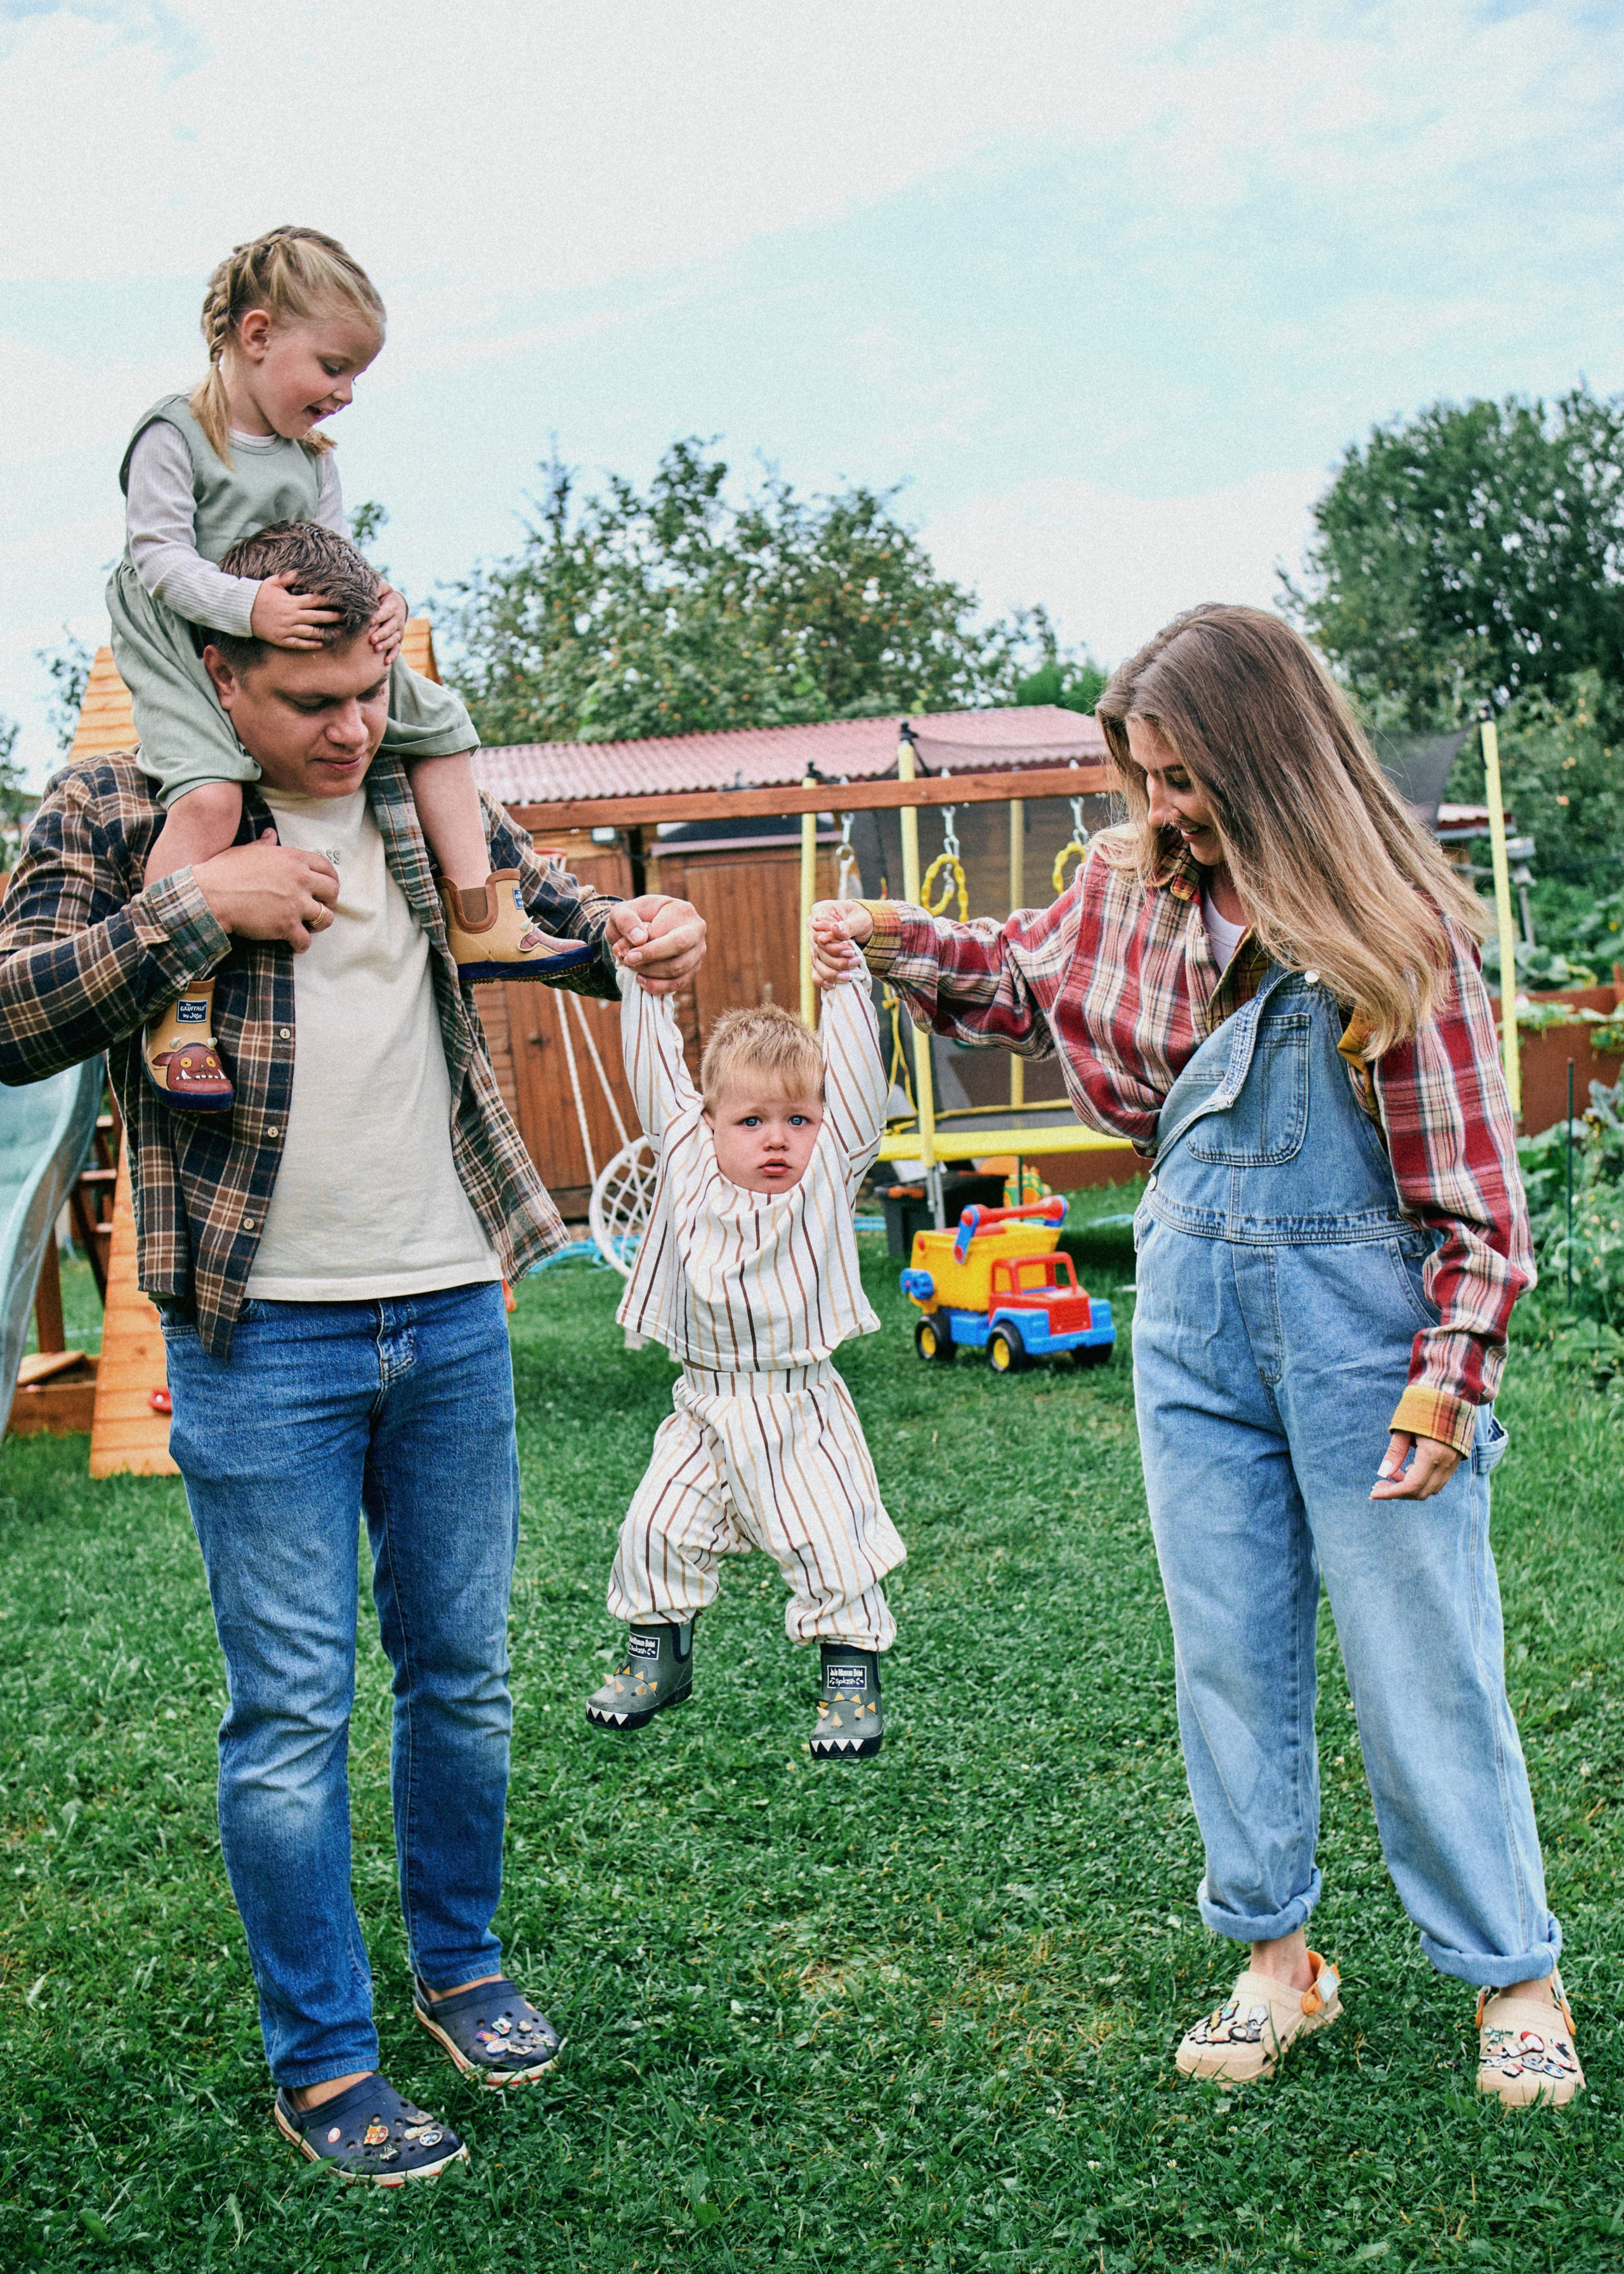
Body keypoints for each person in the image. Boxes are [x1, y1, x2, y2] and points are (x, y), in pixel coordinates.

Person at [0, 519, 707, 2181]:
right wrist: (193, 911)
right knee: (294, 1706)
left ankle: (462, 1968)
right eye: (309, 700)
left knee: (460, 1678)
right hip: (259, 1336)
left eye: (369, 689)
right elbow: (12, 1006)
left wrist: (632, 937)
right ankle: (324, 2060)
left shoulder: (412, 768)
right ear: (218, 671)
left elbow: (537, 906)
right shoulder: (118, 805)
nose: (348, 728)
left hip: (454, 1304)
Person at [810, 604, 1582, 2108]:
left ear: (1268, 757)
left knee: (1419, 1659)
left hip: (1365, 1343)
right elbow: (1024, 979)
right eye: (1142, 777)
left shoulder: (1389, 928)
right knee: (1225, 1649)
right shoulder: (1128, 892)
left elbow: (1476, 1206)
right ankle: (1274, 1958)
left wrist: (1448, 1371)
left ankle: (1513, 1970)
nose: (1160, 809)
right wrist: (902, 942)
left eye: (1183, 777)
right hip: (1188, 1323)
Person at [109, 224, 553, 1114]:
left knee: (441, 725)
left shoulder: (313, 458)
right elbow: (156, 554)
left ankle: (481, 917)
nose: (346, 394)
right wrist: (248, 610)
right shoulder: (177, 433)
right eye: (334, 367)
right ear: (258, 334)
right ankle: (175, 1005)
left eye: (357, 375)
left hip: (298, 627)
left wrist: (379, 602)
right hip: (183, 632)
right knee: (210, 799)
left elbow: (335, 554)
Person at [584, 938, 905, 1758]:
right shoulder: (687, 1159)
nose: (777, 1139)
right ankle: (659, 1657)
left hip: (797, 1403)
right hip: (703, 1399)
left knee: (828, 1539)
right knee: (655, 1525)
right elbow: (654, 1066)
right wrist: (643, 985)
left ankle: (850, 1678)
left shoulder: (831, 1167)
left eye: (797, 1119)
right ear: (708, 1121)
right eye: (752, 1119)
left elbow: (860, 1089)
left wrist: (847, 985)